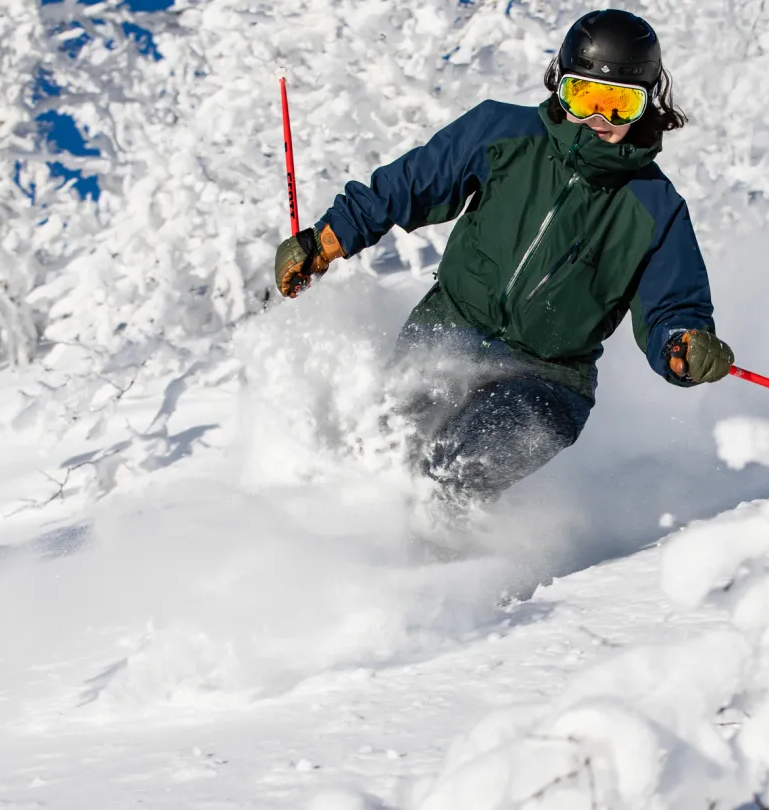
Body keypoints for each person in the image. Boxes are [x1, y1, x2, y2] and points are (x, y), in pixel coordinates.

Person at [272, 9, 734, 525]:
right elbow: (410, 184)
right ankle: (336, 543)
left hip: (549, 380)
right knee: (382, 454)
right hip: (448, 331)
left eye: (619, 103)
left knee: (453, 474)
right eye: (584, 96)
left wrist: (682, 344)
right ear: (560, 84)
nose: (598, 119)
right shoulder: (503, 133)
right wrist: (326, 241)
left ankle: (428, 564)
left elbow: (674, 303)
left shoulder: (655, 207)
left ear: (647, 104)